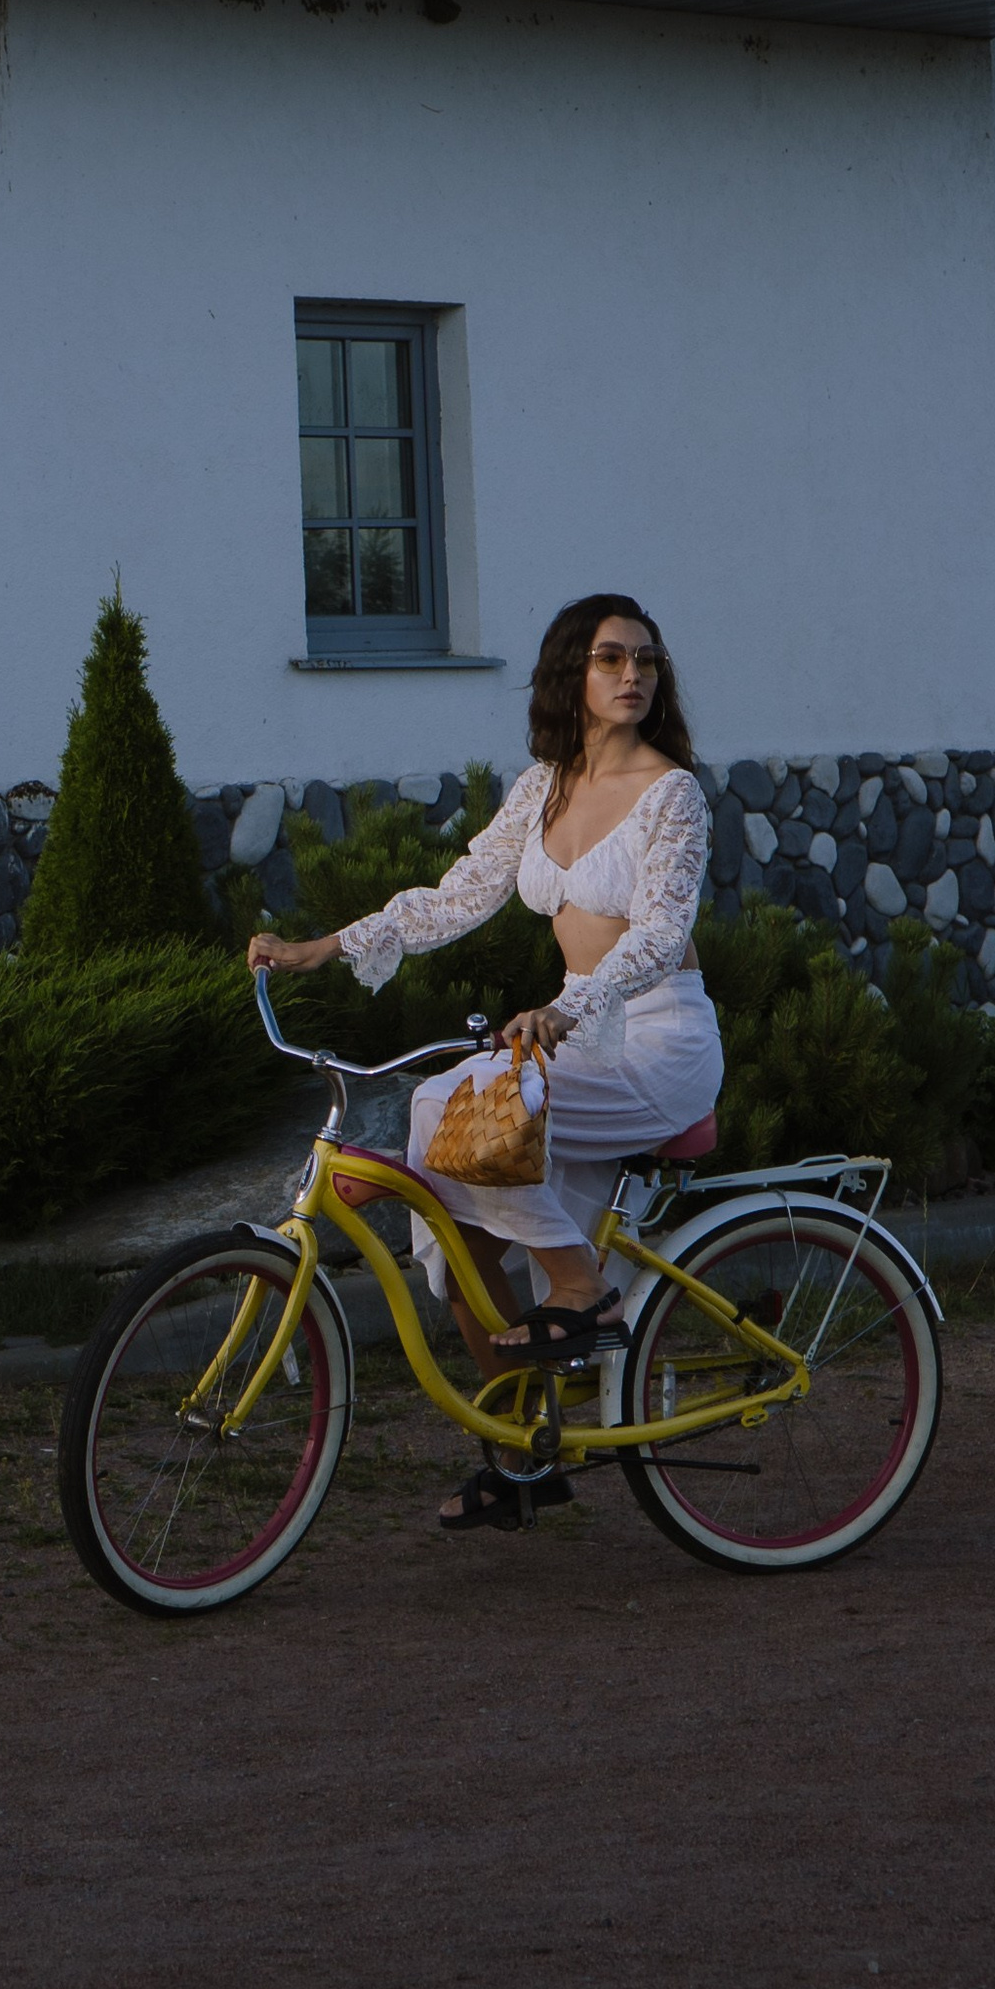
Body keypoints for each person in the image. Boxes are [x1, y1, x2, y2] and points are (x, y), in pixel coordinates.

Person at [248, 593, 722, 1530]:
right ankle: (524, 1454)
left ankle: (580, 1286)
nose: (633, 676)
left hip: (655, 1040)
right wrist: (323, 948)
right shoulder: (546, 781)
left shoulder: (674, 794)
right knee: (460, 1235)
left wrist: (565, 1004)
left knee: (440, 1111)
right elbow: (455, 894)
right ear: (571, 677)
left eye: (646, 662)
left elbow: (661, 939)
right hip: (576, 1036)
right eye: (611, 659)